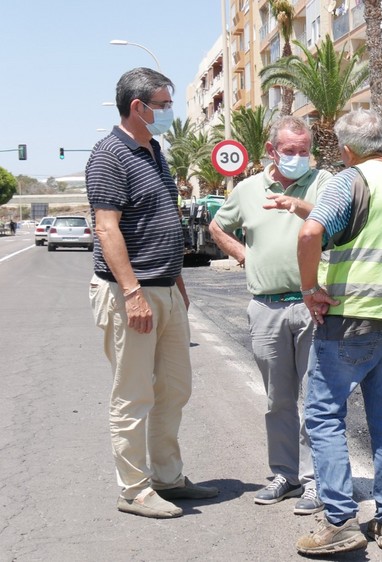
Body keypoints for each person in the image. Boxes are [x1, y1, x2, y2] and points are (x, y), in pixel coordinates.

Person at [294, 109, 382, 555]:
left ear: (347, 149)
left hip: (350, 319)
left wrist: (309, 289)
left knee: (323, 416)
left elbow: (310, 232)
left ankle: (339, 520)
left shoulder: (350, 180)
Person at [86, 67, 218, 519]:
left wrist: (177, 280)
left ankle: (167, 477)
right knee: (134, 394)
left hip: (166, 287)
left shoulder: (155, 150)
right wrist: (133, 293)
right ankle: (134, 490)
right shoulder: (109, 156)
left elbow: (161, 223)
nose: (169, 112)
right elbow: (108, 229)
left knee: (174, 389)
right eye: (163, 105)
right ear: (138, 107)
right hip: (132, 294)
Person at [208, 116, 333, 515]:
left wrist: (299, 205)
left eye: (303, 151)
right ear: (271, 151)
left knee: (317, 398)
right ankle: (285, 475)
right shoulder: (246, 190)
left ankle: (317, 481)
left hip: (314, 305)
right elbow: (216, 226)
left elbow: (341, 223)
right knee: (278, 398)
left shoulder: (324, 183)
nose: (298, 158)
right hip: (265, 309)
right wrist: (244, 255)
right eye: (290, 151)